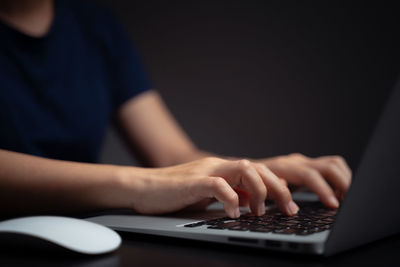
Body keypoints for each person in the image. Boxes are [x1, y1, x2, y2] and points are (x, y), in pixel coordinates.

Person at [0, 0, 351, 219]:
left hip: (81, 232)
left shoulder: (95, 27)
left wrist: (256, 172)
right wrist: (142, 185)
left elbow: (175, 154)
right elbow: (161, 174)